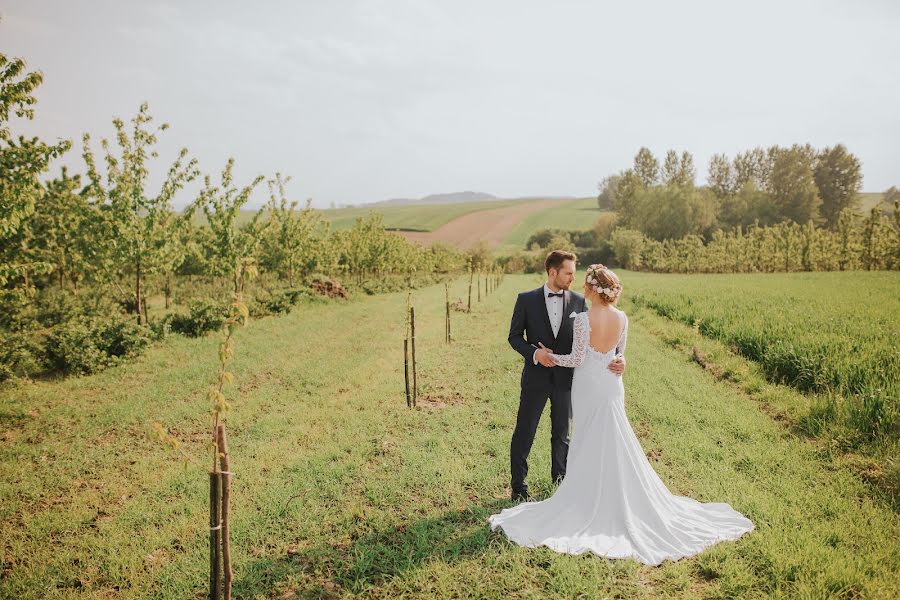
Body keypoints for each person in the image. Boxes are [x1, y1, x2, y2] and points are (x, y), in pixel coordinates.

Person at [489, 264, 754, 565]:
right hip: (612, 385)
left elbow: (577, 358)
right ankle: (615, 494)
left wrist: (549, 357)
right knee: (614, 436)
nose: (581, 288)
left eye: (586, 284)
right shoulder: (623, 318)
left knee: (586, 436)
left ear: (592, 289)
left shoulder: (582, 319)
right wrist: (621, 361)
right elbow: (619, 354)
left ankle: (587, 497)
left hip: (588, 384)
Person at [506, 251, 625, 502]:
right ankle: (519, 486)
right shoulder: (526, 300)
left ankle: (560, 482)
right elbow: (514, 337)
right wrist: (536, 353)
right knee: (525, 431)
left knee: (562, 433)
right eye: (569, 273)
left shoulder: (581, 302)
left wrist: (620, 357)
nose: (573, 277)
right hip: (536, 378)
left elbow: (601, 343)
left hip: (569, 380)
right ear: (553, 272)